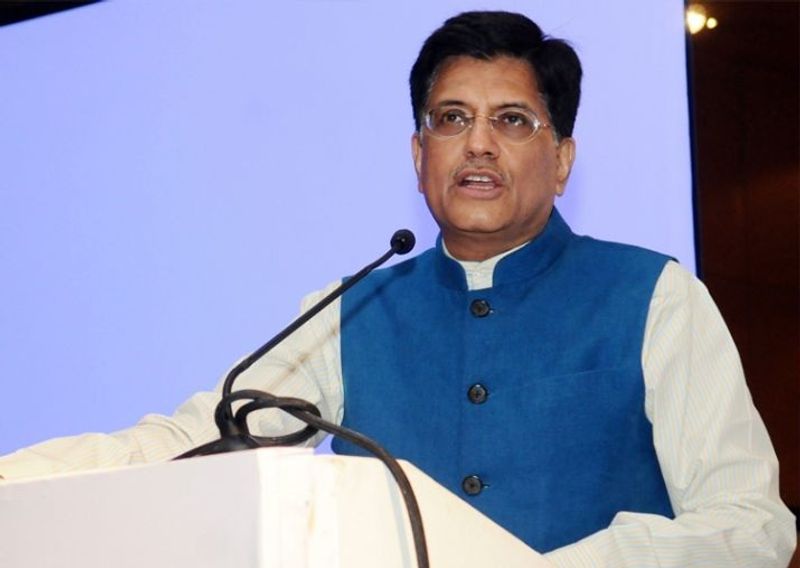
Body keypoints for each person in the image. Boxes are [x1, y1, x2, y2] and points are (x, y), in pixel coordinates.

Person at [0, 11, 795, 567]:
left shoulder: (655, 295)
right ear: (419, 157)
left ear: (561, 160)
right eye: (451, 119)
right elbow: (196, 440)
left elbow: (750, 525)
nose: (477, 143)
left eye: (512, 120)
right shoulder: (354, 311)